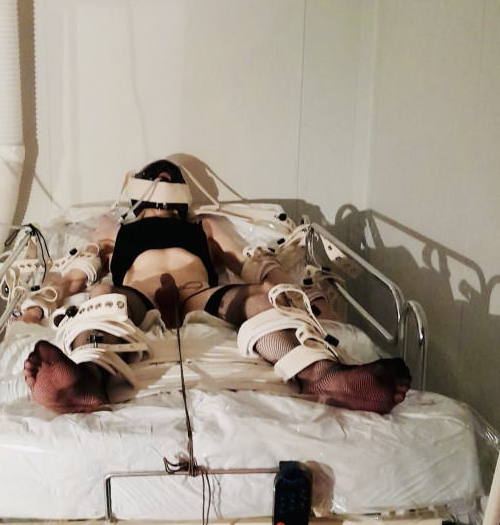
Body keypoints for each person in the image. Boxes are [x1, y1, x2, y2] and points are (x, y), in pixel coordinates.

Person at [22, 160, 411, 415]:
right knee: (102, 297)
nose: (163, 177)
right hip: (136, 297)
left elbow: (254, 264)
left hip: (199, 296)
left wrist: (303, 298)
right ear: (138, 194)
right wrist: (38, 306)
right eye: (155, 175)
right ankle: (87, 380)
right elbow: (79, 271)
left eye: (171, 176)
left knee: (257, 301)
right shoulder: (116, 227)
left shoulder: (204, 225)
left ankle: (321, 374)